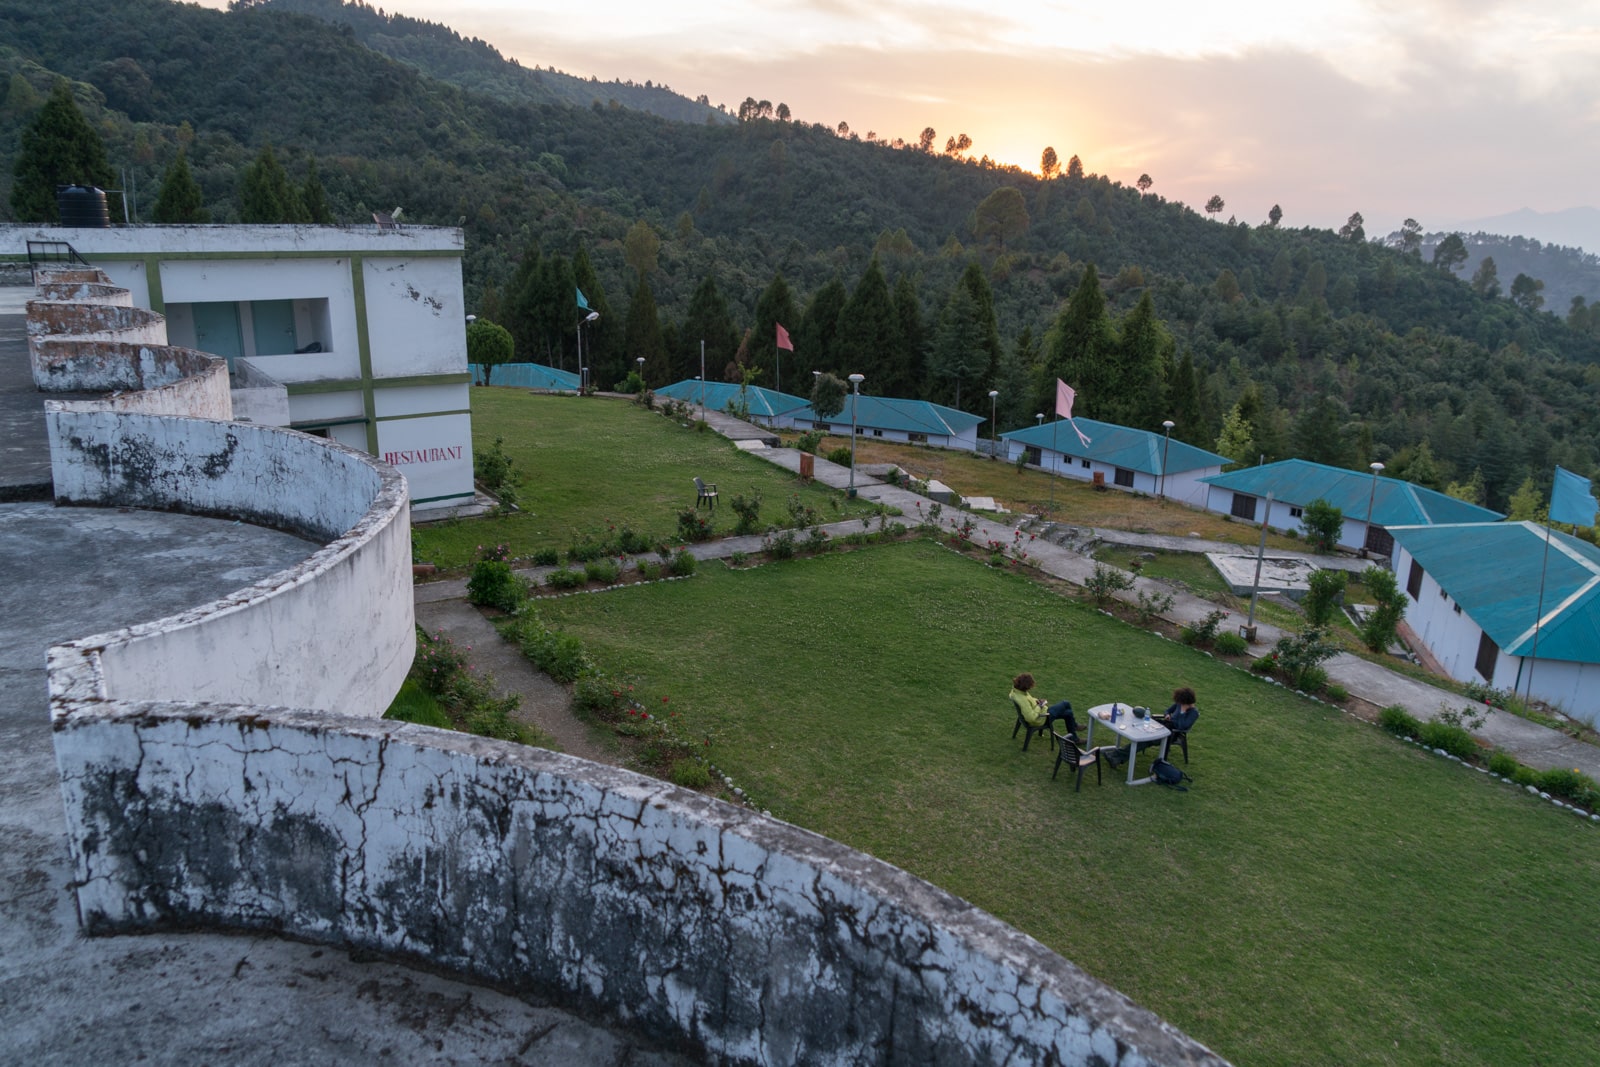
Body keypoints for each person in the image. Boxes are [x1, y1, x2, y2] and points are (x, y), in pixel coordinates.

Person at [1009, 673, 1080, 740]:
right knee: (1065, 703)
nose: (1030, 688)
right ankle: (1075, 726)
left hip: (1041, 713)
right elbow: (1031, 718)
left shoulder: (1017, 692)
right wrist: (1039, 706)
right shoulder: (1022, 700)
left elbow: (1029, 700)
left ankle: (1074, 738)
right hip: (1041, 718)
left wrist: (1037, 701)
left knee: (1068, 713)